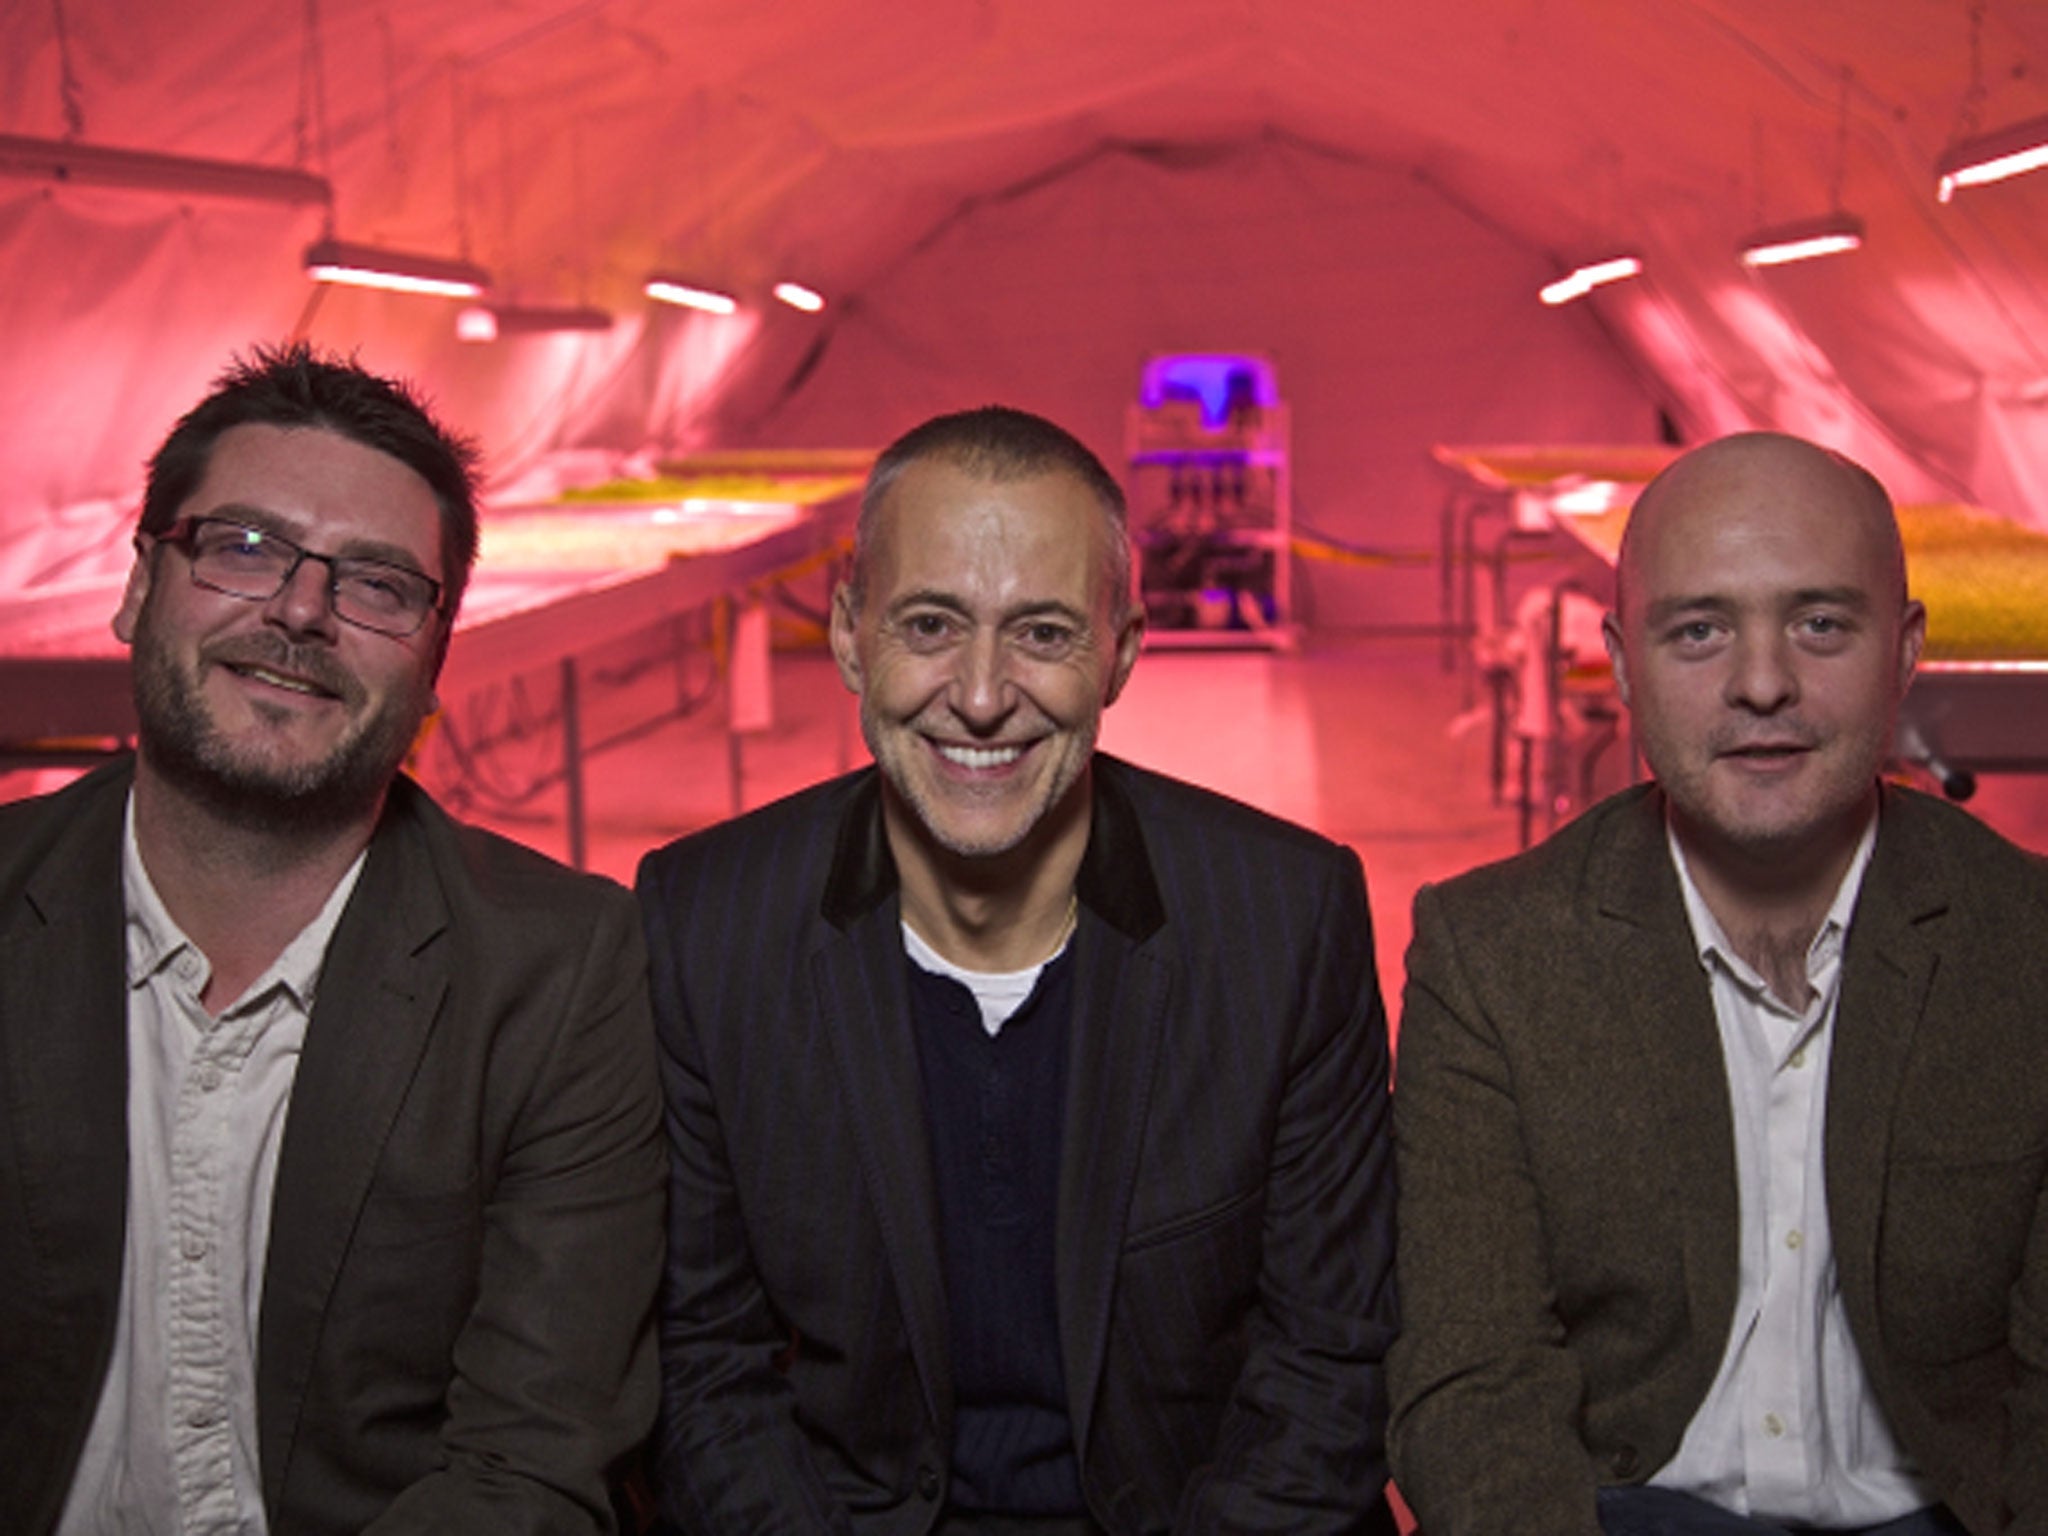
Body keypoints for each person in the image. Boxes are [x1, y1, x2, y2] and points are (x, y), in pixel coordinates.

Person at [637, 405, 1398, 1534]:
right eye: (931, 624)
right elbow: (703, 1363)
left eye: (1041, 634)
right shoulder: (705, 925)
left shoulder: (1283, 921)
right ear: (850, 635)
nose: (982, 695)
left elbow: (1329, 1362)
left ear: (1122, 653)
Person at [0, 343, 665, 1535]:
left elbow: (527, 1471)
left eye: (377, 584)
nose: (300, 611)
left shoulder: (558, 971)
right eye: (243, 547)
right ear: (139, 586)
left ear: (433, 665)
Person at [1389, 431, 2048, 1536]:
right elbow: (1469, 1375)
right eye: (1697, 631)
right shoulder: (1491, 953)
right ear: (1619, 659)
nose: (1759, 684)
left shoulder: (2023, 947)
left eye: (1818, 624)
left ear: (1905, 648)